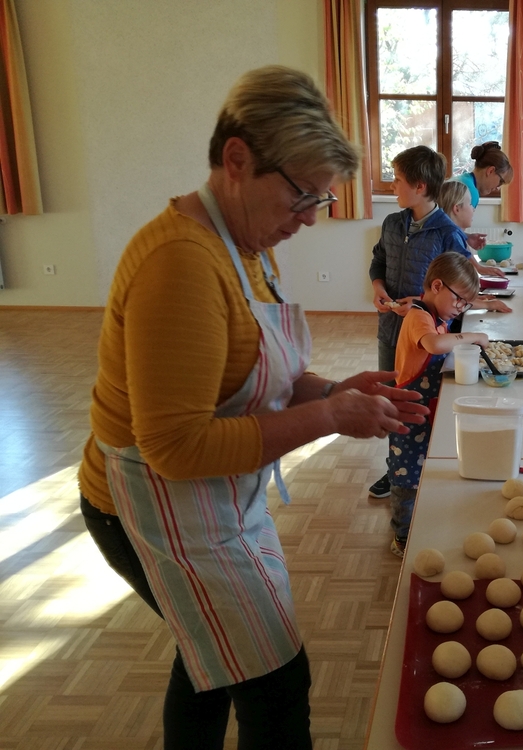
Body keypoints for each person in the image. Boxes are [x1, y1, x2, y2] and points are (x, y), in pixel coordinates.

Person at [77, 66, 430, 750]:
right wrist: (329, 418)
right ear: (236, 160)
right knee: (273, 682)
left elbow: (254, 378)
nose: (310, 218)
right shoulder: (180, 263)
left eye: (321, 199)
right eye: (302, 196)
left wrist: (331, 390)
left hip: (206, 499)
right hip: (148, 506)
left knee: (208, 658)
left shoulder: (244, 246)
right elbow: (175, 448)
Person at [368, 147, 502, 498]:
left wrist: (424, 305)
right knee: (393, 399)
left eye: (398, 180)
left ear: (420, 186)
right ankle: (396, 469)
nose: (393, 186)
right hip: (391, 331)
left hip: (428, 335)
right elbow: (378, 260)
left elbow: (458, 285)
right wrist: (378, 288)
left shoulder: (447, 232)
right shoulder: (392, 223)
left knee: (420, 406)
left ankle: (419, 470)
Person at [387, 252, 489, 556]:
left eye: (466, 304)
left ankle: (419, 521)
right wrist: (471, 336)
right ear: (436, 286)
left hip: (426, 408)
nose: (461, 308)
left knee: (422, 468)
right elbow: (433, 344)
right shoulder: (419, 316)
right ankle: (402, 536)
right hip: (409, 412)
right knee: (405, 476)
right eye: (459, 300)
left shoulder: (438, 315)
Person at [438, 179, 512, 316]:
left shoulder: (451, 233)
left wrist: (475, 298)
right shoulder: (452, 235)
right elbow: (455, 297)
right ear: (457, 208)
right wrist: (488, 304)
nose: (473, 208)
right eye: (470, 204)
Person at [454, 140, 513, 208]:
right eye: (500, 181)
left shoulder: (461, 180)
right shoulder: (470, 193)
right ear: (491, 171)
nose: (498, 188)